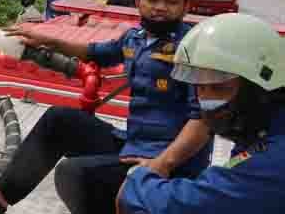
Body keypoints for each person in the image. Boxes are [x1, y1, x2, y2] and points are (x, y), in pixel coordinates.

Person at [0, 0, 213, 214]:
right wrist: (47, 40)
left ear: (185, 7)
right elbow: (95, 52)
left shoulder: (193, 51)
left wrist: (163, 164)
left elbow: (203, 119)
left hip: (172, 163)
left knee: (76, 174)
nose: (160, 7)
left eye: (171, 2)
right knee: (59, 120)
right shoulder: (134, 38)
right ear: (138, 2)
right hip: (134, 144)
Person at [117, 13, 285, 214]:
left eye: (218, 87)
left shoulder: (271, 162)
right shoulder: (261, 128)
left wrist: (137, 179)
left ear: (257, 89)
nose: (206, 102)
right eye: (200, 87)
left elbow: (195, 203)